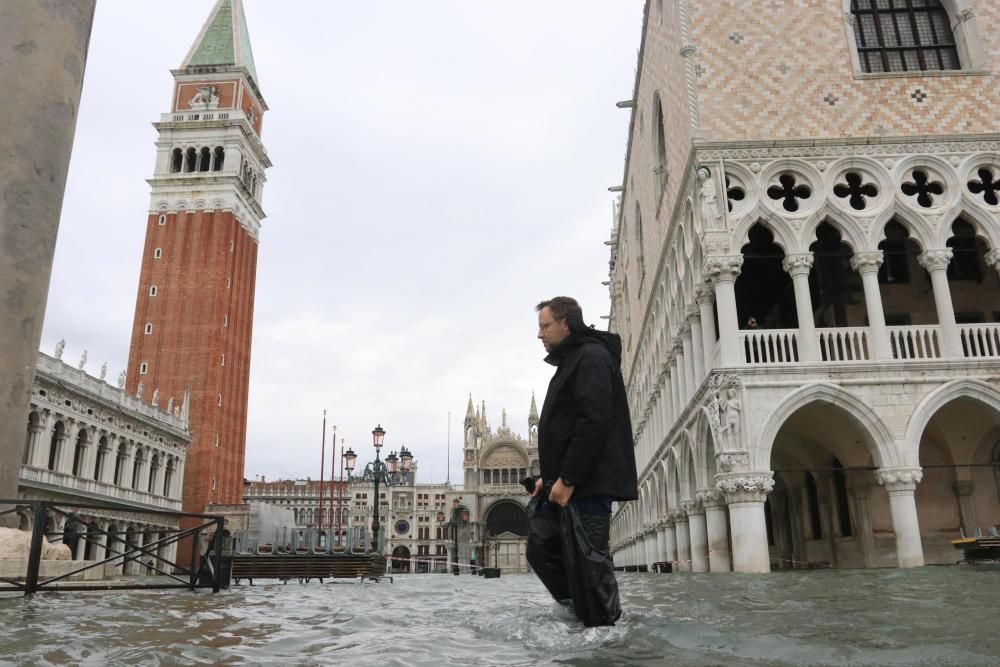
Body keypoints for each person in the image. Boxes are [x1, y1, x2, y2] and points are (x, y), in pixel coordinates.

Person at [526, 296, 638, 626]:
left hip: (586, 486)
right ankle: (581, 611)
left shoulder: (590, 357)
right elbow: (568, 426)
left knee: (590, 561)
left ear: (565, 323)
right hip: (570, 483)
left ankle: (603, 628)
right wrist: (550, 478)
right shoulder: (575, 359)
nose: (540, 335)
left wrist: (569, 478)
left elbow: (594, 421)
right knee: (543, 548)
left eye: (544, 326)